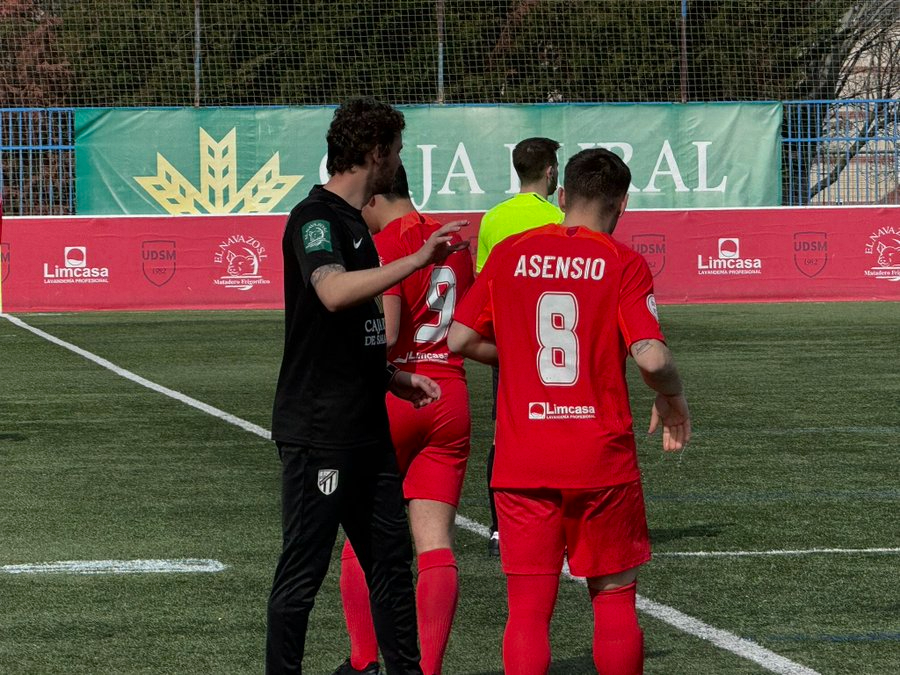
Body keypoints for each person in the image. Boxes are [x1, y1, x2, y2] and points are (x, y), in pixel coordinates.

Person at [448, 148, 691, 674]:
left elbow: (461, 337)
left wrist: (514, 356)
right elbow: (651, 356)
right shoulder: (623, 261)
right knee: (613, 602)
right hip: (599, 459)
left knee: (528, 615)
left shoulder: (511, 252)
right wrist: (673, 394)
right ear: (622, 203)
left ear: (562, 197)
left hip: (523, 459)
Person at [268, 97, 467, 675]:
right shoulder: (315, 217)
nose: (400, 159)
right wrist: (416, 260)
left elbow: (345, 331)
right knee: (303, 573)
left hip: (367, 429)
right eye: (397, 150)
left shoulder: (356, 223)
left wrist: (392, 376)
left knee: (390, 565)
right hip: (318, 431)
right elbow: (331, 293)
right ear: (376, 153)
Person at [332, 165, 474, 675]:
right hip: (450, 395)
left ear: (373, 195)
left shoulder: (387, 243)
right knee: (436, 545)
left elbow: (388, 334)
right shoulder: (452, 240)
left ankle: (365, 661)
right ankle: (425, 670)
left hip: (399, 392)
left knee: (361, 535)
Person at [475, 137, 564, 556]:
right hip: (556, 345)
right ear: (550, 171)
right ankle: (559, 525)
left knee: (503, 433)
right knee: (558, 427)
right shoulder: (559, 218)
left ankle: (498, 528)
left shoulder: (493, 219)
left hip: (507, 344)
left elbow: (484, 288)